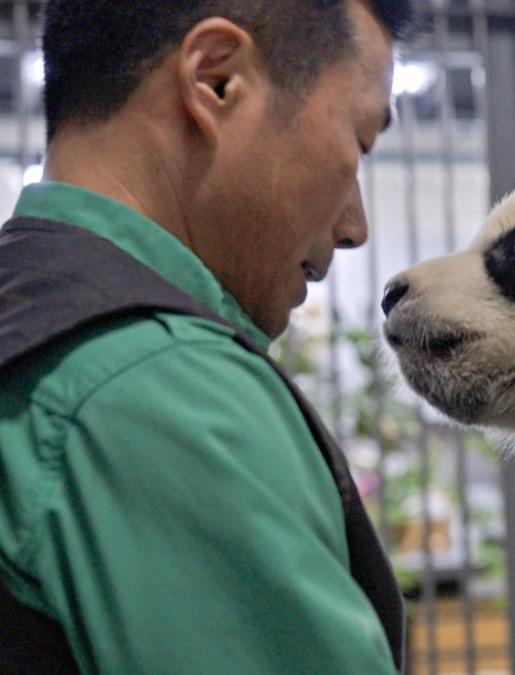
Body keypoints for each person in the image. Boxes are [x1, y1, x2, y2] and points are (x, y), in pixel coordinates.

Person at [0, 1, 411, 672]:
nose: (354, 224)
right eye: (359, 142)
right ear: (216, 79)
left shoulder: (26, 316)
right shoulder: (160, 385)